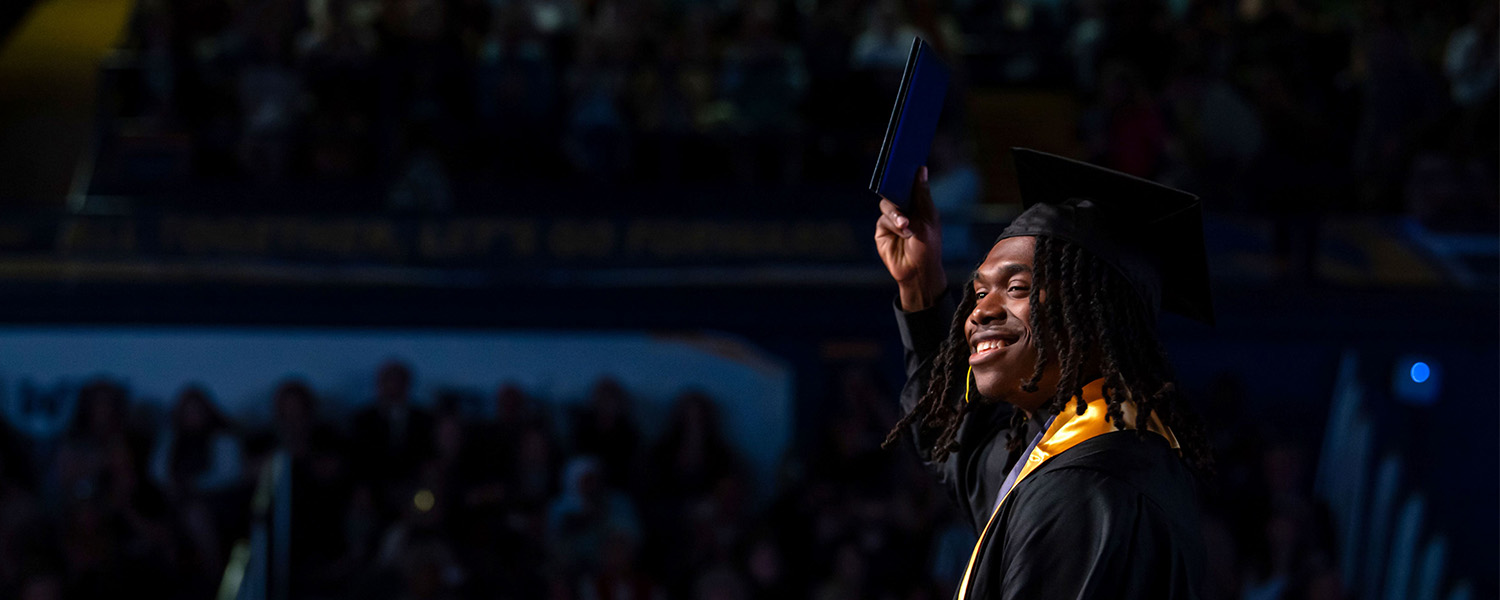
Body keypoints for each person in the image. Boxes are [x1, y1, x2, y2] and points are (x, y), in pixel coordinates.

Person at [873, 149, 1215, 599]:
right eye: (978, 292)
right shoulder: (1096, 456)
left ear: (1094, 315)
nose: (979, 312)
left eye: (1015, 288)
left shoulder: (1087, 489)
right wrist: (920, 287)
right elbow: (964, 447)